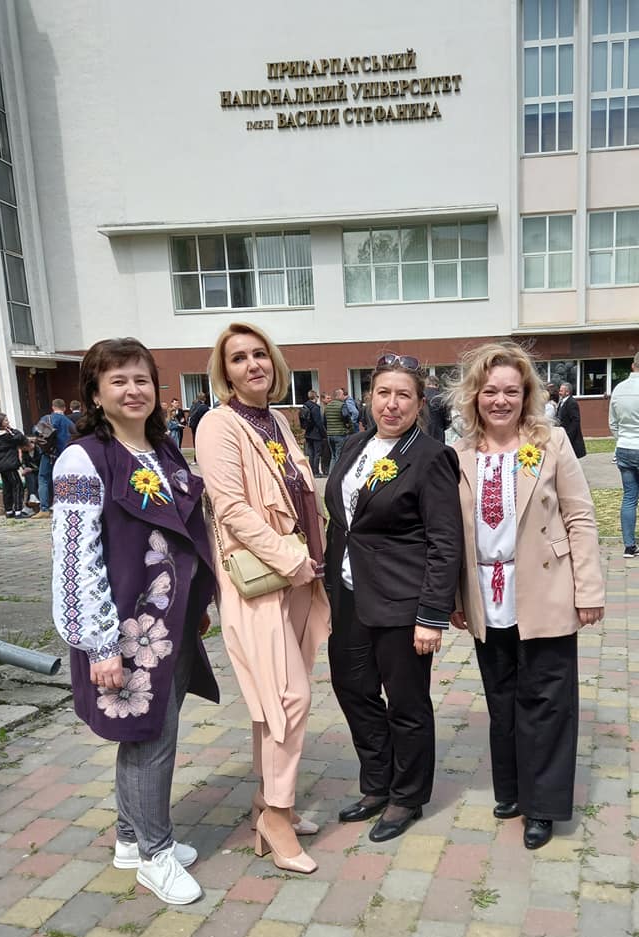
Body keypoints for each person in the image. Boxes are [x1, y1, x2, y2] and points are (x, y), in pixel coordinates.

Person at [51, 337, 219, 905]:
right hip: (124, 631)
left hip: (171, 621)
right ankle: (155, 854)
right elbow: (75, 559)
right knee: (150, 739)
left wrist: (197, 604)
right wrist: (98, 644)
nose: (133, 390)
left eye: (141, 379)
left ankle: (130, 837)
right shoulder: (82, 460)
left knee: (149, 732)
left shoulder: (163, 450)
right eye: (118, 380)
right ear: (95, 394)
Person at [448, 342, 604, 850]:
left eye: (511, 391)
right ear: (475, 396)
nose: (501, 400)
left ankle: (544, 806)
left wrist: (588, 588)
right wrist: (453, 597)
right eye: (490, 391)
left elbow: (580, 516)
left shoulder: (551, 442)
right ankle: (512, 790)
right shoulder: (458, 454)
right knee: (502, 698)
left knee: (547, 700)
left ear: (526, 394)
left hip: (546, 588)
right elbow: (449, 532)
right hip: (486, 593)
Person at [196, 321, 330, 875]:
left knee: (272, 702)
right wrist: (290, 559)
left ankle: (264, 800)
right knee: (288, 698)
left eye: (259, 354)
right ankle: (276, 816)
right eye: (238, 358)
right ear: (224, 372)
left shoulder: (276, 419)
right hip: (262, 580)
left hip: (299, 579)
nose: (252, 364)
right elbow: (230, 509)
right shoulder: (217, 424)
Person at [325, 354, 463, 842]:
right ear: (369, 397)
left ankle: (407, 796)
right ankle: (377, 783)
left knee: (406, 702)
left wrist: (432, 614)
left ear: (420, 403)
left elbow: (445, 541)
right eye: (383, 392)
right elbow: (343, 520)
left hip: (402, 602)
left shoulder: (430, 457)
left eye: (404, 395)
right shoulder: (355, 445)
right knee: (352, 688)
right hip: (348, 595)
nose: (392, 403)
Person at [609, 351, 639, 558]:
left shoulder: (619, 389)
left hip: (625, 446)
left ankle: (629, 546)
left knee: (629, 497)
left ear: (632, 365)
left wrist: (621, 438)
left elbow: (613, 422)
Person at [32, 399, 75, 519]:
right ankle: (65, 506)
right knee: (64, 479)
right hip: (65, 455)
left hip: (49, 454)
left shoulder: (47, 418)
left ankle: (44, 509)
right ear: (64, 408)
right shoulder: (69, 422)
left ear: (53, 407)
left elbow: (36, 430)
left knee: (43, 479)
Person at [0, 413, 30, 518]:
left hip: (0, 465)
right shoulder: (7, 435)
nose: (8, 422)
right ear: (0, 422)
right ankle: (18, 511)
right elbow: (20, 437)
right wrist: (11, 429)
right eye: (6, 420)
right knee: (18, 486)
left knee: (7, 487)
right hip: (9, 464)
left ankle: (8, 510)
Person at [300, 389, 327, 477]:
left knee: (311, 454)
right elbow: (318, 422)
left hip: (308, 433)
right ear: (315, 397)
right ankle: (316, 472)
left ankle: (311, 471)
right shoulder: (315, 408)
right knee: (317, 453)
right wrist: (324, 434)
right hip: (316, 433)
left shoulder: (305, 406)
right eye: (317, 397)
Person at [557, 382, 586, 458]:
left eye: (561, 391)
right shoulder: (562, 402)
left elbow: (575, 420)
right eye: (559, 390)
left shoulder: (572, 403)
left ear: (567, 392)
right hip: (562, 433)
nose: (559, 393)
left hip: (570, 435)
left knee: (570, 457)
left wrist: (569, 434)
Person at [325, 388, 349, 466]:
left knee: (333, 456)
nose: (344, 396)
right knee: (339, 456)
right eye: (343, 394)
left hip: (330, 434)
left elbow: (324, 420)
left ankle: (331, 472)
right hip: (340, 434)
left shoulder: (327, 406)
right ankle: (338, 473)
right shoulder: (342, 405)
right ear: (339, 395)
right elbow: (346, 417)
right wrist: (348, 426)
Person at [424, 374, 449, 442]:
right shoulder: (442, 397)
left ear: (426, 384)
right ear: (437, 385)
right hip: (438, 435)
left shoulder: (420, 396)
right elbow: (448, 420)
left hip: (422, 434)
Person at [187, 392, 210, 458]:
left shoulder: (193, 406)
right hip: (201, 427)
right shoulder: (204, 407)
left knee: (195, 441)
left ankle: (196, 457)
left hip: (193, 426)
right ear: (204, 398)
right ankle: (203, 457)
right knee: (202, 442)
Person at [320, 393, 332, 475]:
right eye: (328, 398)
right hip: (324, 433)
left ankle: (327, 468)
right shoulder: (321, 409)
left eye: (330, 398)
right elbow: (322, 422)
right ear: (323, 399)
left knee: (328, 452)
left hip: (328, 432)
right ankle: (325, 469)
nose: (330, 399)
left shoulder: (329, 408)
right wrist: (324, 432)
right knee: (325, 453)